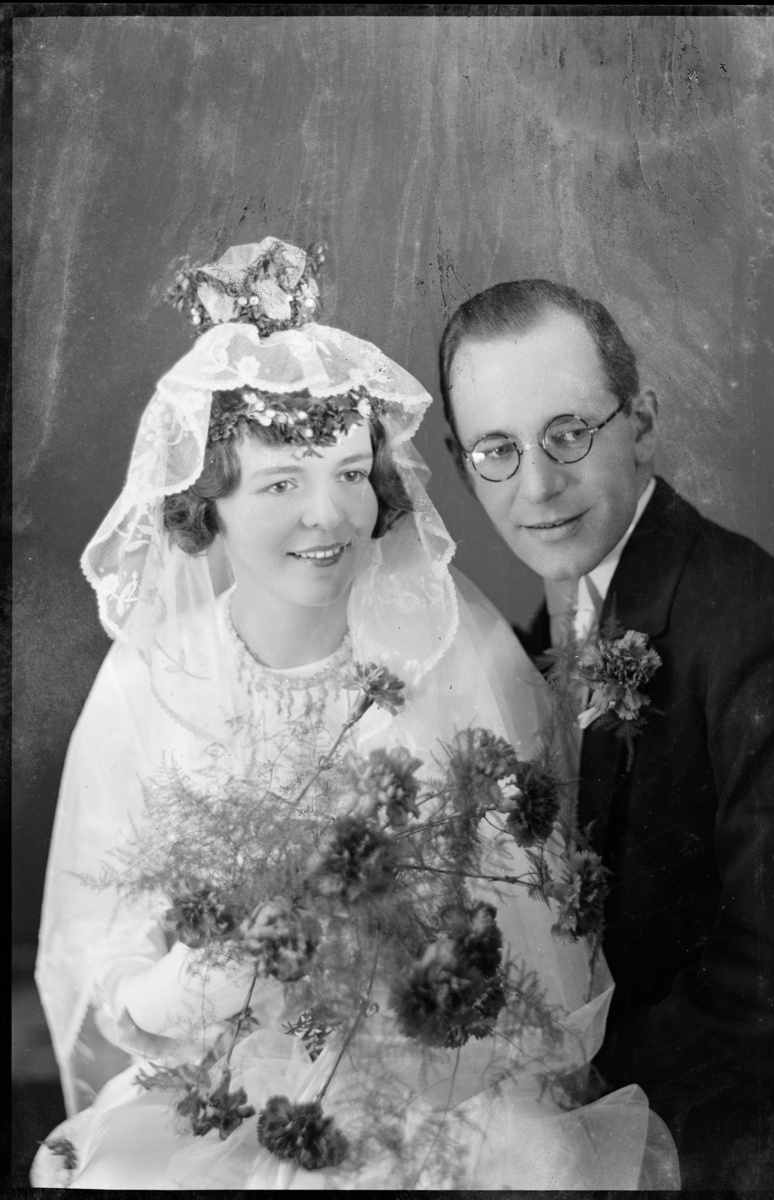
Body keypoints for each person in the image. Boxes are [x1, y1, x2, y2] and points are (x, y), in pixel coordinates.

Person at [31, 241, 679, 1190]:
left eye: (346, 473)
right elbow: (104, 968)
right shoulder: (151, 682)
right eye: (280, 485)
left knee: (534, 1166)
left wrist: (408, 963)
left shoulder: (450, 647)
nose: (329, 516)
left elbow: (532, 926)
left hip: (432, 1078)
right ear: (206, 506)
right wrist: (216, 974)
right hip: (222, 1087)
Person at [438, 279, 774, 1191]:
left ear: (643, 423)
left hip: (743, 1143)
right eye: (497, 450)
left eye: (568, 434)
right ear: (463, 467)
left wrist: (575, 1099)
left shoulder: (766, 638)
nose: (537, 486)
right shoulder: (553, 621)